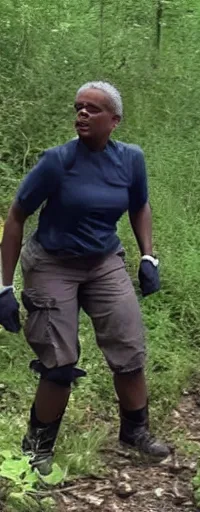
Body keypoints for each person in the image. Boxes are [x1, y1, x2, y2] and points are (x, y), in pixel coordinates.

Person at [0, 81, 170, 475]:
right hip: (51, 262)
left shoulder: (130, 160)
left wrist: (148, 256)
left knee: (129, 349)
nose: (82, 114)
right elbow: (15, 216)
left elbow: (140, 204)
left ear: (115, 120)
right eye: (78, 107)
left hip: (104, 261)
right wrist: (4, 287)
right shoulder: (57, 161)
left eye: (93, 109)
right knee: (59, 363)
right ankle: (36, 451)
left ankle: (135, 433)